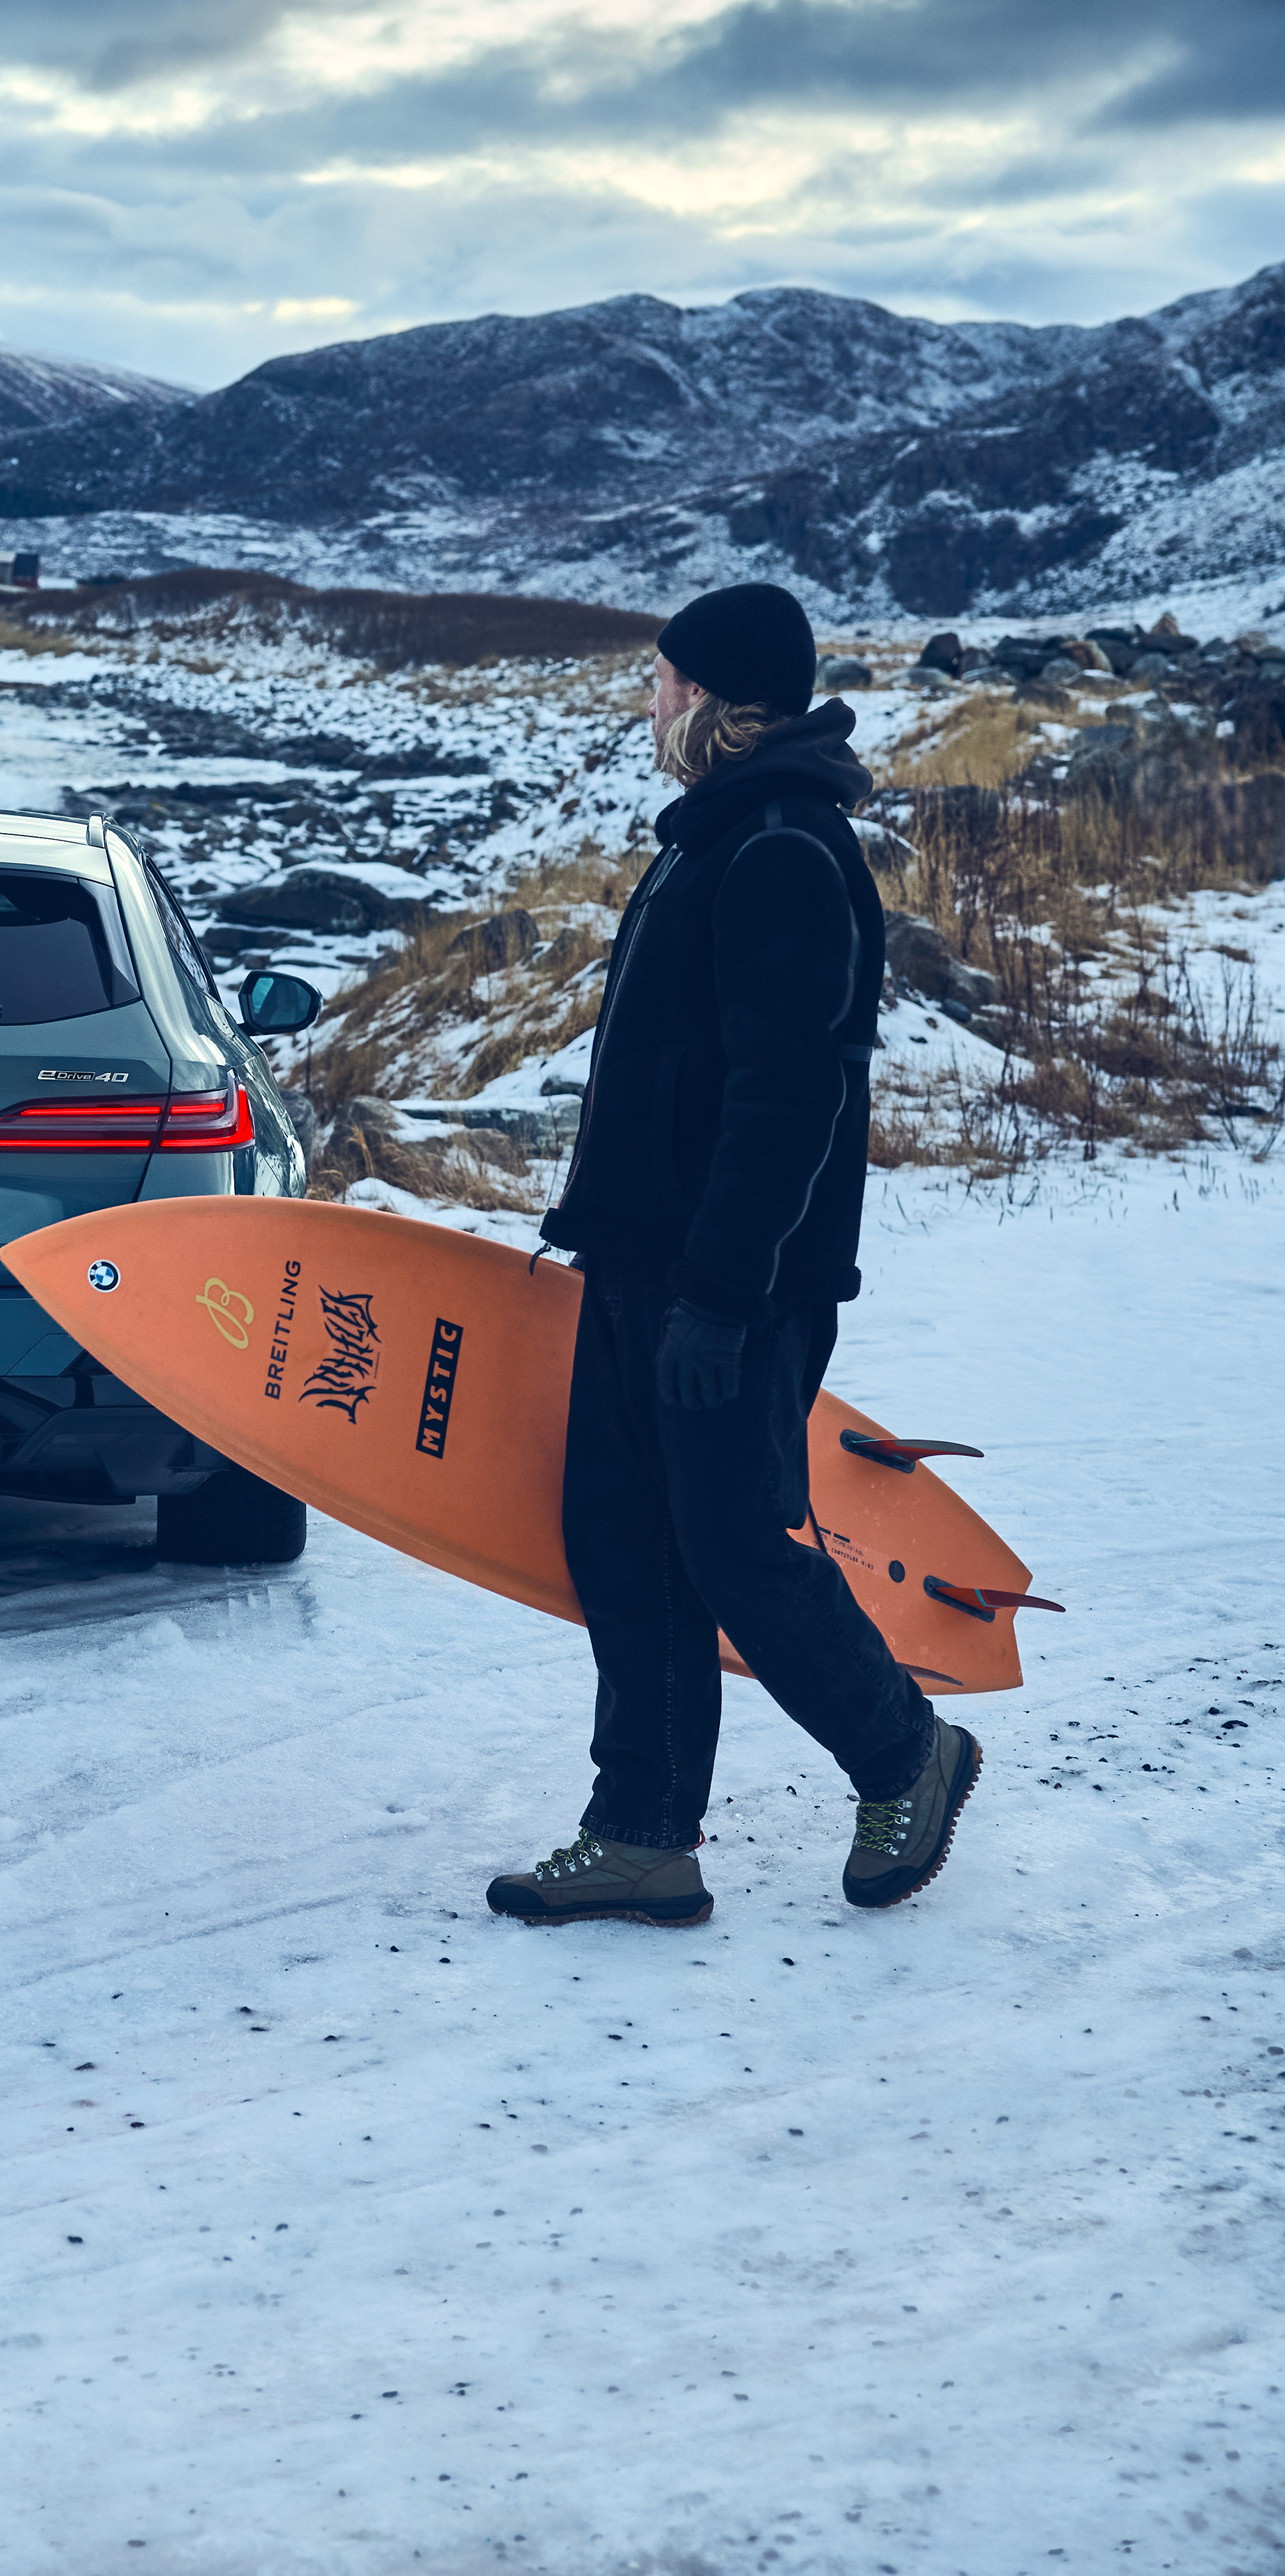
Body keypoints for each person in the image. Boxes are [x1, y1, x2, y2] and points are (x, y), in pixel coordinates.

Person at [487, 580, 979, 1929]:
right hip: (648, 1264)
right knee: (627, 1545)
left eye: (662, 679)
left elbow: (788, 1097)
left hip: (728, 1286)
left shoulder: (780, 848)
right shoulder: (722, 834)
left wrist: (719, 1294)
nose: (649, 700)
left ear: (707, 696)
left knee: (731, 1545)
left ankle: (907, 1754)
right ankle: (643, 1834)